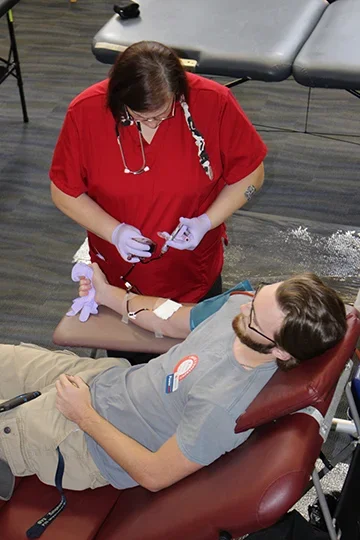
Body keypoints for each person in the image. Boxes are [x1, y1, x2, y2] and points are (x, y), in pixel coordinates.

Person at [0, 268, 347, 499]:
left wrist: (84, 415)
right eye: (258, 298)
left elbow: (153, 475)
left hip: (84, 444)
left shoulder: (223, 406)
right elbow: (172, 318)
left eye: (254, 317)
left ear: (282, 352)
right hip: (99, 379)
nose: (243, 309)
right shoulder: (241, 307)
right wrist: (110, 296)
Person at [49, 40, 267, 311]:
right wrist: (114, 232)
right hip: (117, 280)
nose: (153, 124)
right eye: (140, 117)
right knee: (125, 354)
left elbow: (251, 175)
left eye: (163, 114)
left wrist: (205, 222)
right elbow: (64, 190)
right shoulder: (86, 111)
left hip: (194, 273)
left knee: (194, 350)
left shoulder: (214, 102)